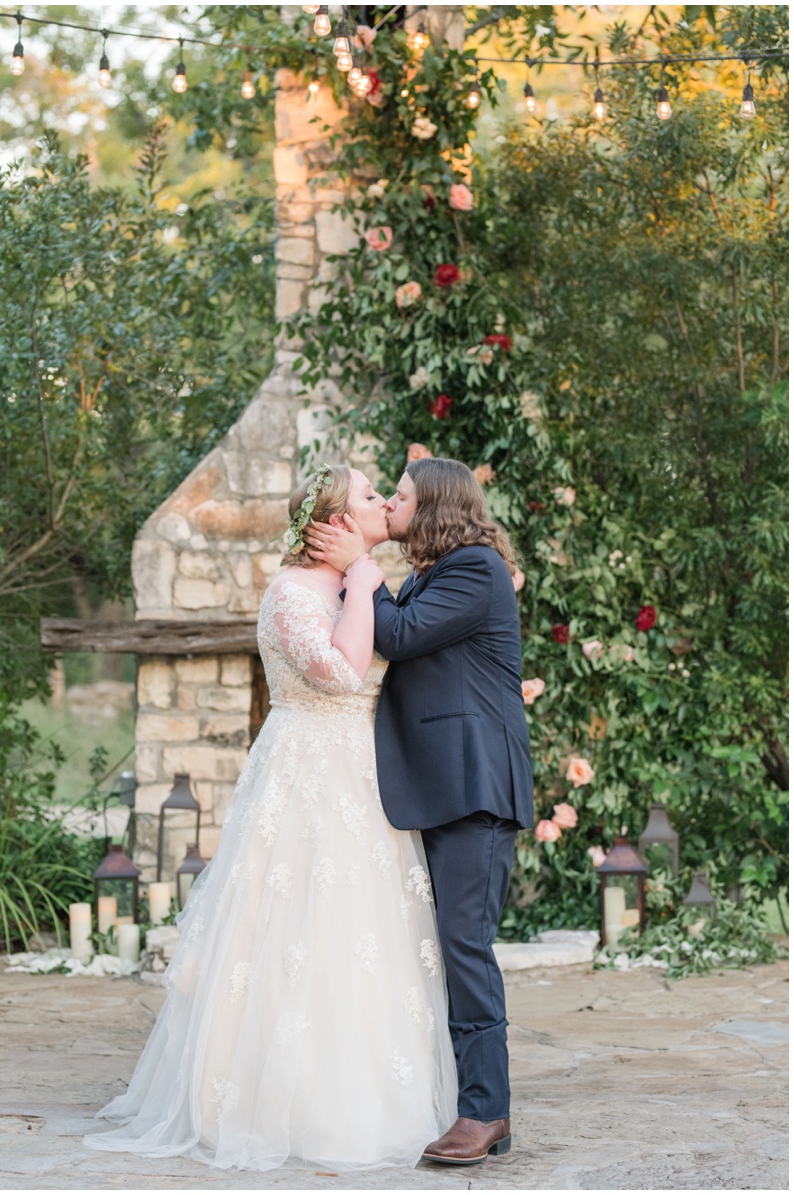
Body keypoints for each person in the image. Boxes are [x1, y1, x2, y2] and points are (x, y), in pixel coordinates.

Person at [85, 464, 457, 1173]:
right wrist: (364, 581)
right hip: (308, 769)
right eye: (370, 495)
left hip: (366, 773)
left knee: (362, 926)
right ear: (337, 523)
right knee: (294, 924)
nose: (383, 502)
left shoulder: (366, 581)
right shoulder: (293, 591)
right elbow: (343, 672)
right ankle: (275, 1100)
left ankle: (370, 1093)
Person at [307, 456, 534, 1166]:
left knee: (465, 941)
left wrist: (360, 569)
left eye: (400, 495)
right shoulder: (437, 572)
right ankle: (469, 1097)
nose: (391, 503)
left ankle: (484, 1111)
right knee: (447, 943)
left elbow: (397, 635)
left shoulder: (475, 568)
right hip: (441, 785)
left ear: (436, 505)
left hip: (474, 786)